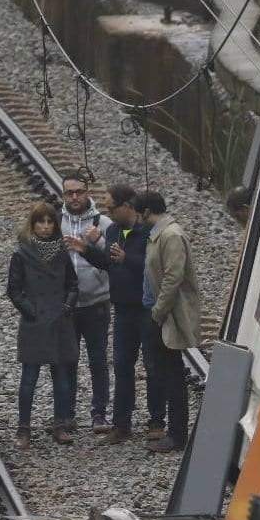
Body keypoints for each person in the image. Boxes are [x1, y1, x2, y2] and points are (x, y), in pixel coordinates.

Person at [8, 202, 78, 449]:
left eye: (50, 222)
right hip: (35, 323)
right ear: (33, 224)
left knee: (61, 374)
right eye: (41, 222)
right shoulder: (21, 253)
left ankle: (60, 424)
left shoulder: (61, 251)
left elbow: (72, 283)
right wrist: (32, 311)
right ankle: (23, 428)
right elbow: (14, 289)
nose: (46, 227)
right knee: (29, 376)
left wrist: (67, 306)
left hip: (59, 320)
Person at [140, 191, 202, 453]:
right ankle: (175, 433)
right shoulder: (159, 234)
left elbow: (173, 277)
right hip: (158, 313)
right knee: (167, 372)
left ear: (146, 212)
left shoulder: (171, 235)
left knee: (173, 374)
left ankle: (178, 435)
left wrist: (158, 312)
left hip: (165, 316)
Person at [97, 184, 156, 445]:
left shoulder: (148, 232)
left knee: (153, 365)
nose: (108, 213)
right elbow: (108, 263)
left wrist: (127, 259)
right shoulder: (112, 231)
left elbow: (154, 267)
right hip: (122, 309)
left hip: (146, 309)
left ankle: (156, 421)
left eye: (111, 208)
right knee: (122, 366)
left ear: (127, 206)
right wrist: (86, 250)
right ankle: (121, 424)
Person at [58, 172, 114, 433]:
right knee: (67, 361)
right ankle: (67, 414)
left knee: (98, 361)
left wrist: (97, 240)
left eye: (79, 191)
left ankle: (99, 414)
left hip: (97, 303)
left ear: (87, 192)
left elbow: (114, 259)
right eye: (69, 192)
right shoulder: (55, 222)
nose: (75, 197)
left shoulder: (103, 223)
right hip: (67, 306)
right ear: (63, 195)